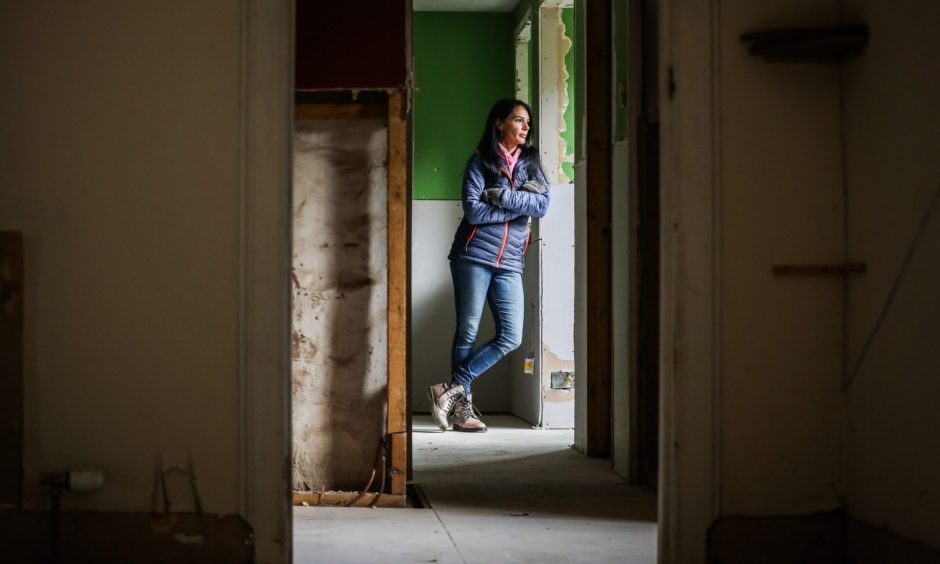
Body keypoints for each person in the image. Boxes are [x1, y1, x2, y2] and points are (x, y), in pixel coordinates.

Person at [427, 99, 551, 433]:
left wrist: (503, 197)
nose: (525, 127)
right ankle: (461, 411)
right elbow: (474, 213)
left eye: (527, 122)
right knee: (467, 329)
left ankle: (450, 388)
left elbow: (542, 205)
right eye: (518, 120)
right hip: (472, 255)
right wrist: (518, 205)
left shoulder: (532, 163)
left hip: (510, 260)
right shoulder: (480, 162)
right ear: (499, 123)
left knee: (510, 336)